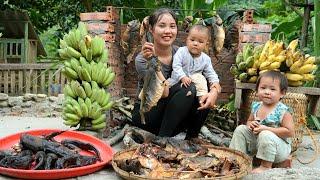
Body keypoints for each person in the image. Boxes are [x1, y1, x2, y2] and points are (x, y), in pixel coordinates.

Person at [131, 8, 221, 139]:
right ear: (151, 29)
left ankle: (192, 139)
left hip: (172, 121)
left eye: (172, 26)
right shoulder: (143, 59)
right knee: (187, 88)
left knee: (202, 84)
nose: (168, 31)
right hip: (147, 117)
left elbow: (209, 76)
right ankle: (162, 141)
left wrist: (214, 92)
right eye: (162, 26)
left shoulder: (181, 52)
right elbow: (164, 93)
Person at [229, 70, 294, 173]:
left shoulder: (282, 111)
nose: (267, 92)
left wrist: (266, 129)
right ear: (257, 90)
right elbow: (249, 121)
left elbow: (290, 132)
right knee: (240, 129)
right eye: (263, 88)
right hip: (259, 145)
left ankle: (265, 166)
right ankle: (238, 160)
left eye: (272, 89)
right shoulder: (256, 106)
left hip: (278, 150)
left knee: (265, 134)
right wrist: (251, 124)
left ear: (282, 93)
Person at [168, 24, 220, 100]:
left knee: (200, 78)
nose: (195, 43)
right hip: (176, 82)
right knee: (163, 87)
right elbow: (176, 65)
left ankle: (202, 99)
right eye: (192, 40)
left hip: (195, 85)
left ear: (206, 44)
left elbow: (210, 72)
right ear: (187, 39)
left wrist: (215, 82)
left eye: (200, 42)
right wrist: (182, 76)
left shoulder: (206, 59)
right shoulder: (181, 51)